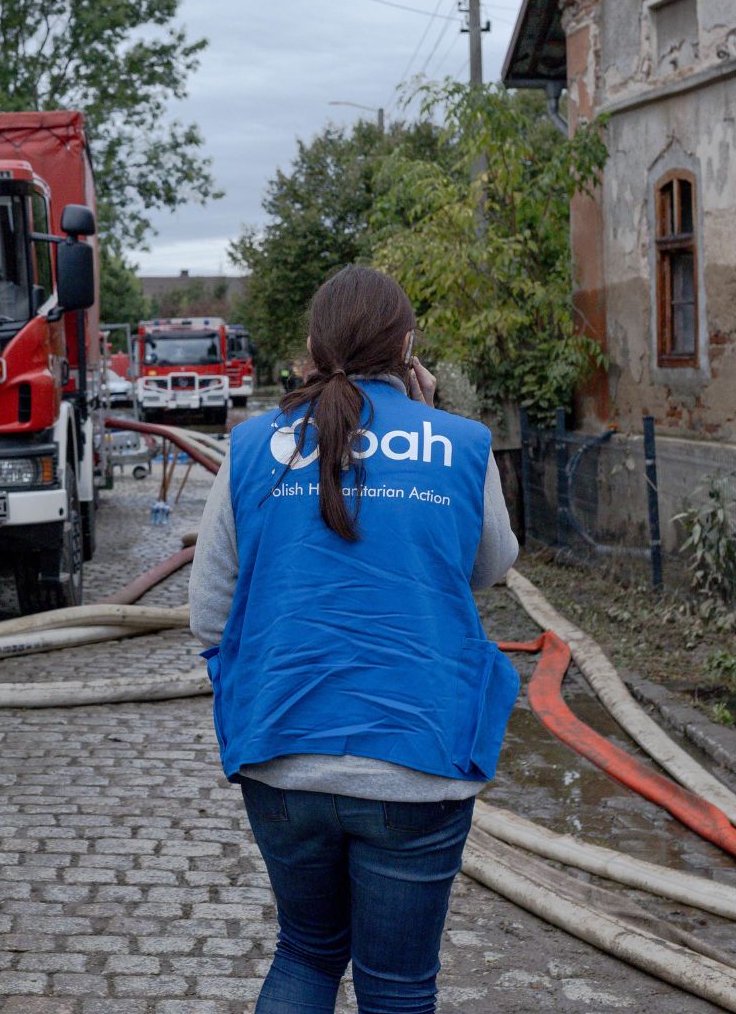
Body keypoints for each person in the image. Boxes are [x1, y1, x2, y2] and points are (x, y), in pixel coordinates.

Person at [190, 265, 519, 1014]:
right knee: (398, 986)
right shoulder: (461, 445)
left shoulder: (252, 448)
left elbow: (209, 616)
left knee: (304, 955)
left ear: (310, 347)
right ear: (409, 347)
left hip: (280, 756)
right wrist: (428, 419)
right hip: (419, 757)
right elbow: (490, 566)